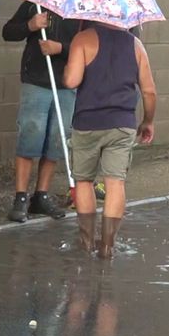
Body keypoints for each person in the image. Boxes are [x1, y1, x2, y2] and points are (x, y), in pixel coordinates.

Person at [63, 22, 157, 258]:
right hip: (122, 124)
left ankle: (86, 243)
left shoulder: (82, 39)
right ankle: (107, 247)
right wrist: (148, 121)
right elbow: (149, 91)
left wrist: (66, 69)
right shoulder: (136, 46)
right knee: (115, 183)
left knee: (84, 181)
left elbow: (72, 81)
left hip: (87, 123)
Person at [2, 1, 80, 223]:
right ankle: (20, 198)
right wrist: (30, 26)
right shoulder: (35, 3)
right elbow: (8, 32)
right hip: (36, 80)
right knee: (30, 135)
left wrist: (60, 48)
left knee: (57, 139)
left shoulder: (81, 8)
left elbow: (89, 46)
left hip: (67, 83)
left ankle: (41, 196)